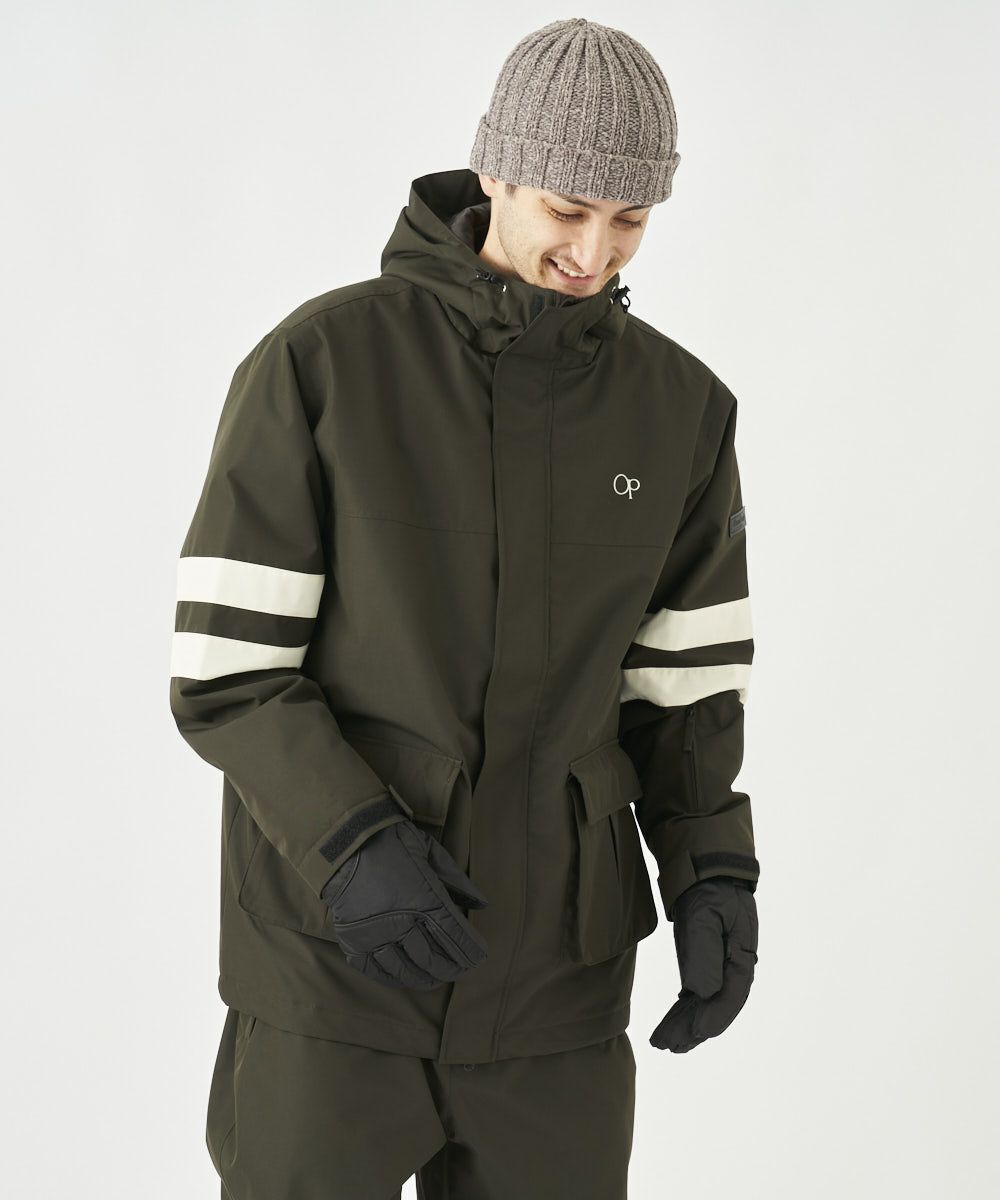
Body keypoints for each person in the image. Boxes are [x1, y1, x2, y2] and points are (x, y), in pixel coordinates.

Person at [170, 17, 760, 1200]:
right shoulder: (324, 365)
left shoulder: (680, 410)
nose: (592, 251)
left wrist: (712, 874)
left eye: (630, 219)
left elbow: (682, 696)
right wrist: (352, 844)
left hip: (555, 985)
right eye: (566, 208)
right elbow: (229, 671)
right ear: (495, 170)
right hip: (334, 968)